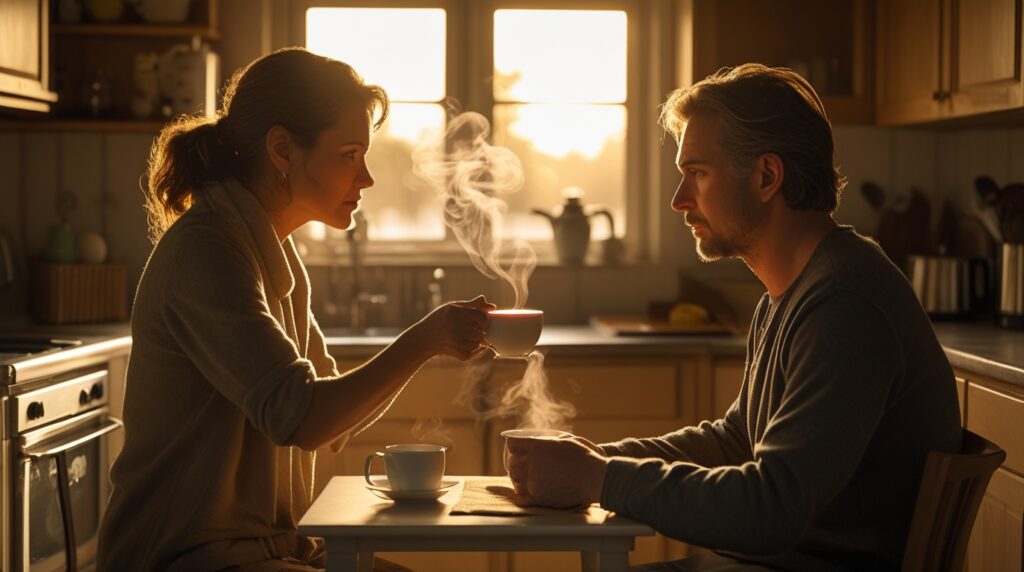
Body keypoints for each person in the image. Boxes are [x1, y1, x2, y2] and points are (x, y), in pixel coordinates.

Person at [506, 64, 962, 571]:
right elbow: (737, 440)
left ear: (767, 176)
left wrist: (598, 479)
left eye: (698, 174)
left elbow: (771, 508)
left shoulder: (844, 300)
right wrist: (593, 458)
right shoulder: (789, 291)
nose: (679, 200)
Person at [97, 47, 494, 571]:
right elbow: (302, 419)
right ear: (283, 150)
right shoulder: (207, 252)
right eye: (349, 154)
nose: (367, 178)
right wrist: (424, 341)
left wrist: (429, 343)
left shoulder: (272, 249)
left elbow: (331, 428)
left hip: (272, 550)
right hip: (186, 558)